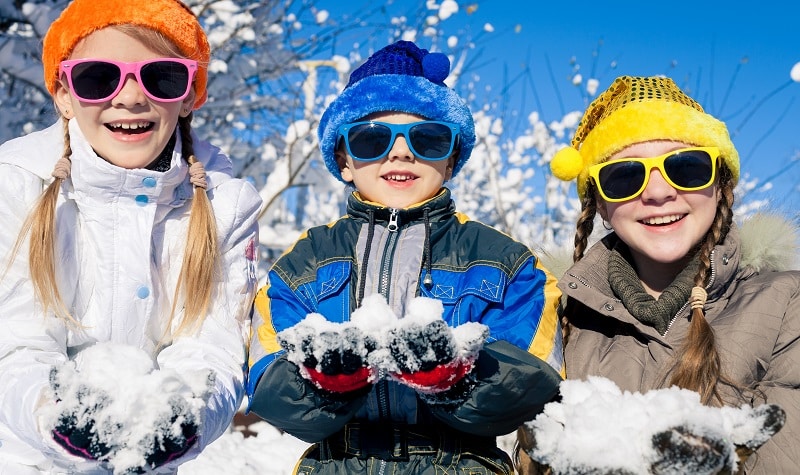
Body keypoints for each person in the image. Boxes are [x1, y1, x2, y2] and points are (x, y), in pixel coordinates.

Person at [247, 40, 563, 474]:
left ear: (451, 159)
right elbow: (266, 379)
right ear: (343, 159)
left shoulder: (505, 262)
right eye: (371, 139)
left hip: (460, 462)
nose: (400, 152)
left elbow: (536, 377)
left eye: (428, 138)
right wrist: (326, 383)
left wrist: (455, 377)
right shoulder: (303, 263)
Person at [0, 0, 262, 473]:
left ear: (188, 95)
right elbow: (14, 343)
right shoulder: (14, 185)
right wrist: (55, 413)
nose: (130, 97)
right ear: (63, 93)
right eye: (98, 77)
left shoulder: (226, 205)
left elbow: (212, 345)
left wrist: (183, 418)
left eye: (161, 77)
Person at [518, 75, 799, 473]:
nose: (657, 192)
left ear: (721, 185)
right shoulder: (561, 319)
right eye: (625, 176)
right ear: (599, 204)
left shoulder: (787, 306)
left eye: (686, 169)